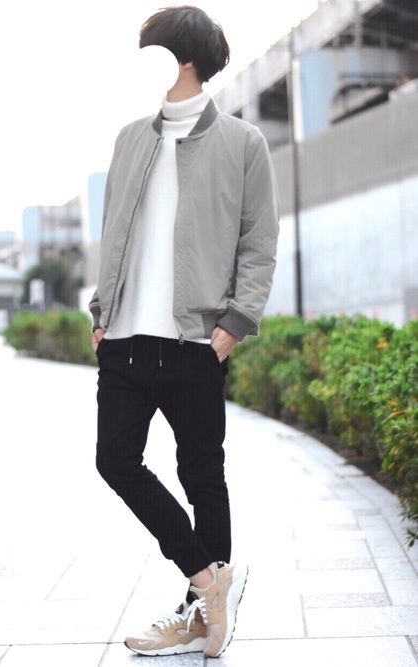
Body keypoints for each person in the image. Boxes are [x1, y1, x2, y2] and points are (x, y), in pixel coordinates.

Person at [89, 5, 279, 658]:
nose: (140, 63)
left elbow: (258, 243)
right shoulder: (129, 138)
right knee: (114, 460)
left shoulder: (242, 143)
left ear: (185, 61)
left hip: (196, 341)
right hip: (124, 340)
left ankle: (203, 620)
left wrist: (233, 326)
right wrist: (101, 312)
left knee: (202, 476)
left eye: (152, 50)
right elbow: (114, 231)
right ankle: (208, 581)